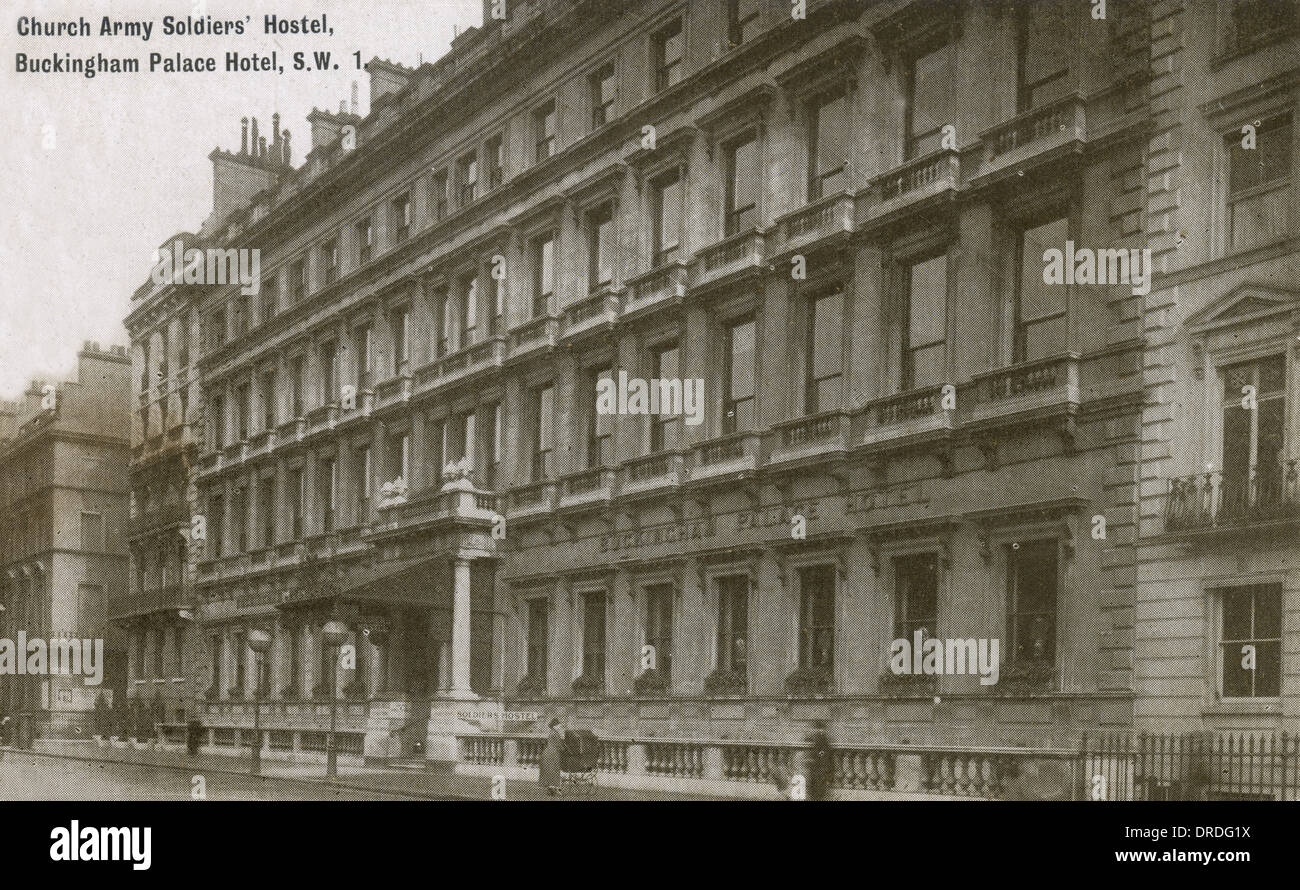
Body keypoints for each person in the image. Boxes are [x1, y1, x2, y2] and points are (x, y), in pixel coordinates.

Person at [539, 717, 564, 796]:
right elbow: (558, 745)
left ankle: (550, 789)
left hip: (547, 753)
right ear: (554, 726)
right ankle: (553, 790)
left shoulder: (552, 732)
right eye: (558, 725)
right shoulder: (555, 734)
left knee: (549, 771)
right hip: (553, 754)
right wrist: (564, 749)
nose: (559, 727)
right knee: (554, 771)